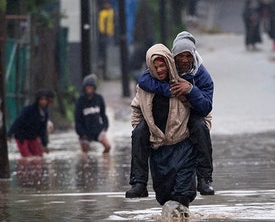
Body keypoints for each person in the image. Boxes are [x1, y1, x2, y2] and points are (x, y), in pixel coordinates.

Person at [127, 31, 215, 198]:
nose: (184, 60)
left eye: (188, 55)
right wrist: (170, 91)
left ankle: (204, 179)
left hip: (190, 120)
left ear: (193, 55)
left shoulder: (202, 76)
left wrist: (190, 90)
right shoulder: (164, 68)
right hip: (161, 128)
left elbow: (206, 108)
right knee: (139, 132)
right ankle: (138, 182)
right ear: (173, 58)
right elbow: (145, 81)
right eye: (179, 56)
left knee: (200, 127)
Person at [130, 43, 197, 207]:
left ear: (169, 63)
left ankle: (205, 179)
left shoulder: (185, 82)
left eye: (162, 65)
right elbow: (136, 109)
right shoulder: (145, 86)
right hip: (159, 148)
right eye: (155, 67)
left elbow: (203, 110)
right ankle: (138, 183)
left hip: (183, 146)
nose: (160, 70)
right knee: (165, 197)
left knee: (182, 196)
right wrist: (142, 131)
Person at [7, 89, 55, 157]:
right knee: (27, 158)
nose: (43, 102)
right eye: (41, 99)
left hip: (33, 137)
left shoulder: (45, 113)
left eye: (45, 100)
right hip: (22, 137)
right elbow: (18, 121)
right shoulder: (29, 110)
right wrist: (9, 134)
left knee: (39, 157)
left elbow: (43, 129)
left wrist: (45, 144)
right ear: (37, 100)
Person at [74, 74, 111, 154]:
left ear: (94, 87)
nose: (89, 88)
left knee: (108, 147)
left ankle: (104, 161)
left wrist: (105, 126)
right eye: (87, 86)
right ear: (84, 87)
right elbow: (77, 119)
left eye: (91, 86)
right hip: (85, 131)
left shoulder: (99, 98)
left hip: (97, 129)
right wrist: (81, 133)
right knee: (85, 153)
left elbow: (103, 114)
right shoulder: (80, 100)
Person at [98, 1, 115, 79]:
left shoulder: (111, 12)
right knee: (105, 51)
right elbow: (101, 23)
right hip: (105, 34)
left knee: (110, 50)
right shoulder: (103, 13)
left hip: (110, 33)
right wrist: (103, 32)